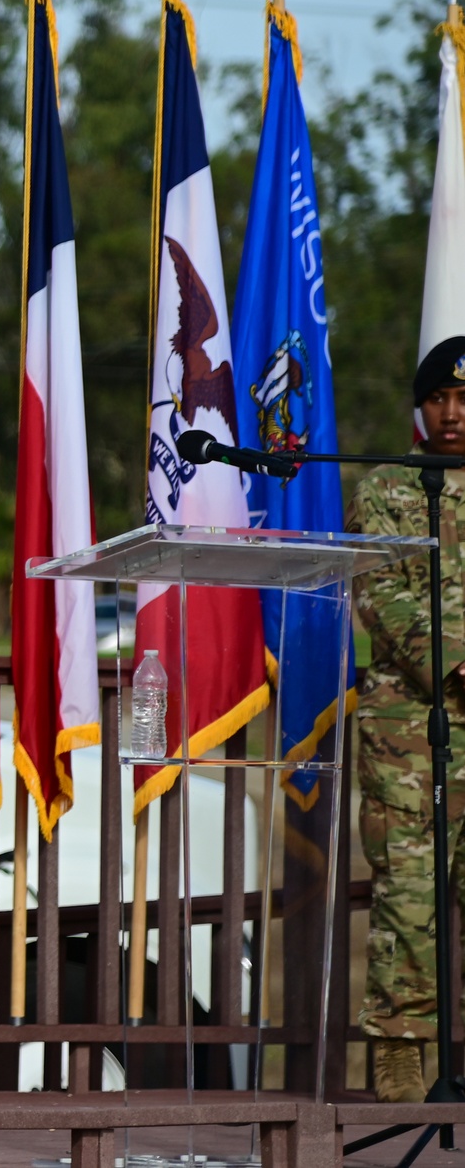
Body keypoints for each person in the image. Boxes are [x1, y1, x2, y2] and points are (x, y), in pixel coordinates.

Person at [351, 334, 465, 1104]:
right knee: (410, 894)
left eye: (464, 401)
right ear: (418, 409)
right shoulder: (390, 487)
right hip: (408, 731)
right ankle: (397, 1053)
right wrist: (457, 664)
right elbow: (381, 594)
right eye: (438, 399)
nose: (452, 414)